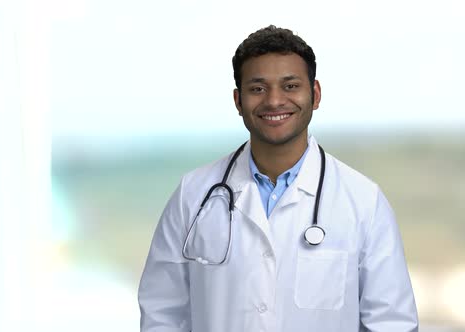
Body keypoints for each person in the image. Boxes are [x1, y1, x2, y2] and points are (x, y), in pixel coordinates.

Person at [138, 25, 418, 332]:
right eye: (257, 88)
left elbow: (392, 324)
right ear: (237, 101)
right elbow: (162, 312)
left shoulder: (364, 202)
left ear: (315, 94)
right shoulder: (193, 195)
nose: (274, 101)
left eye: (290, 86)